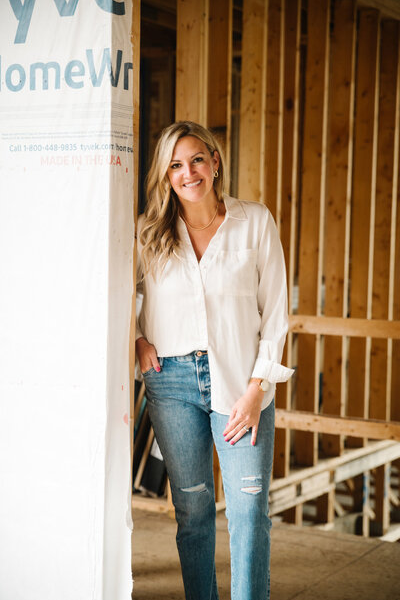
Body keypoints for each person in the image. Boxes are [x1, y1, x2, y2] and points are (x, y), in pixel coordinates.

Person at [135, 120, 293, 600]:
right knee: (193, 512)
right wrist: (137, 340)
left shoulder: (254, 222)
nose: (189, 172)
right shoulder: (149, 233)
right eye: (176, 165)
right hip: (171, 383)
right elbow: (121, 296)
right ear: (165, 175)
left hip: (241, 384)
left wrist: (257, 388)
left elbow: (278, 310)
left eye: (197, 159)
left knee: (248, 512)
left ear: (215, 162)